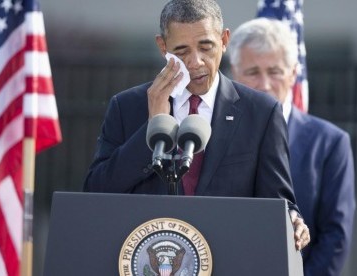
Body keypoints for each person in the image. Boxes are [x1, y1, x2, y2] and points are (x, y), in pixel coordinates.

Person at [84, 0, 310, 250]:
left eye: (206, 47)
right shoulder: (127, 107)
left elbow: (278, 202)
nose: (196, 62)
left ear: (224, 41)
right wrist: (153, 124)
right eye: (181, 52)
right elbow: (96, 192)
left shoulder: (261, 112)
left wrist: (292, 218)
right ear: (162, 47)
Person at [228, 18, 356, 276]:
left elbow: (335, 235)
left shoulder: (330, 142)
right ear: (234, 73)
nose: (264, 84)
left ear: (293, 74)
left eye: (274, 71)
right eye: (252, 72)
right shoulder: (213, 133)